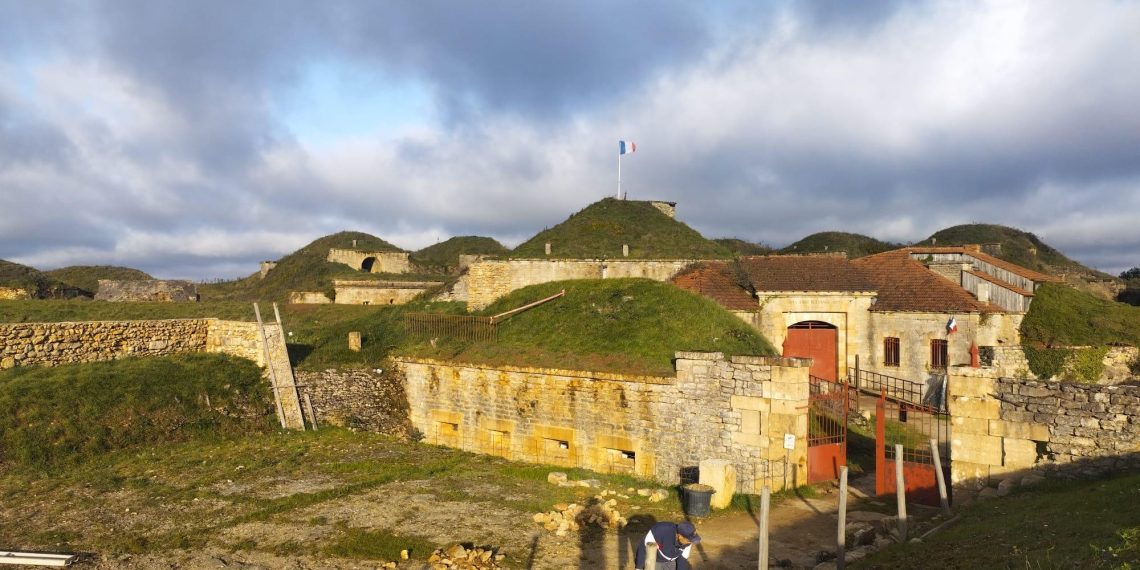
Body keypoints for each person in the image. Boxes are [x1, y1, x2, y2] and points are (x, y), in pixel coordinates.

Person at [634, 521, 701, 570]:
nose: (690, 543)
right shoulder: (661, 530)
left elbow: (682, 559)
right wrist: (638, 568)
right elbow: (643, 547)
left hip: (671, 561)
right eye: (689, 540)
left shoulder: (688, 541)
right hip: (655, 560)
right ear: (680, 536)